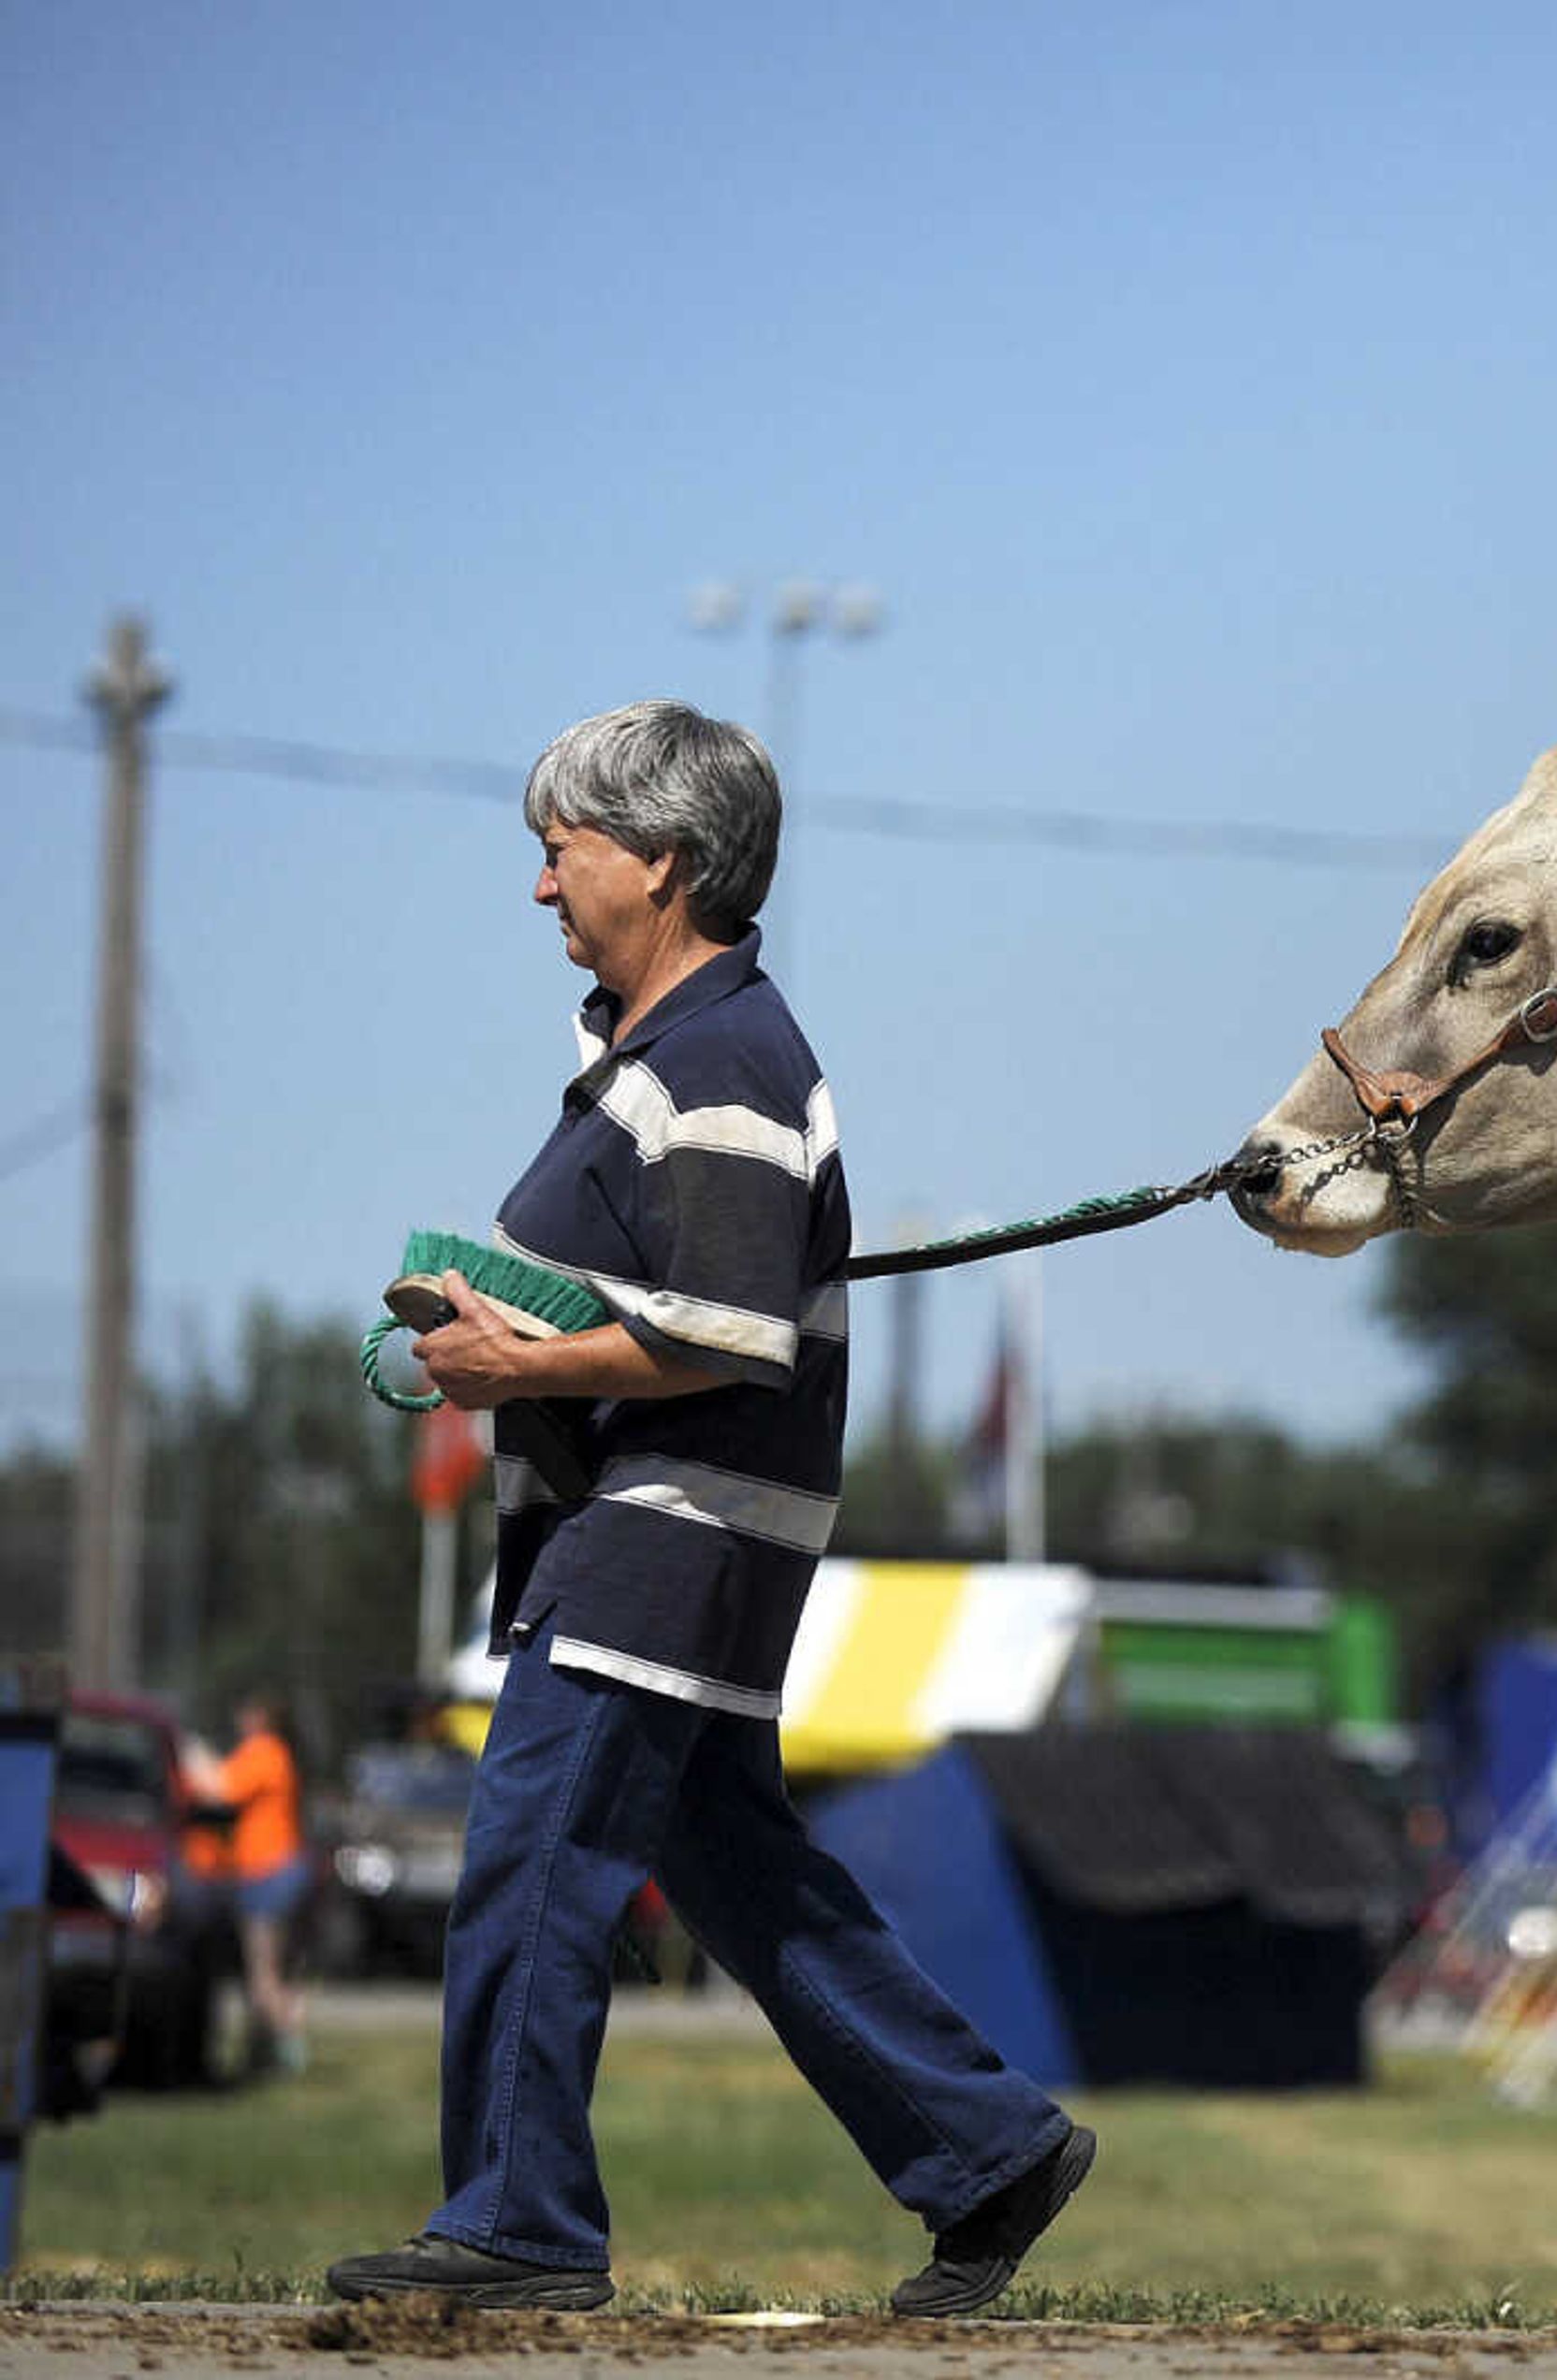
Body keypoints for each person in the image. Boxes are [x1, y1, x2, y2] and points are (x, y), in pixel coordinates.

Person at [327, 702, 1094, 2315]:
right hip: (671, 1531)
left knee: (534, 1860)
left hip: (657, 1542)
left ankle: (522, 2219)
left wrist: (500, 1361)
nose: (542, 889)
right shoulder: (672, 1051)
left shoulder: (724, 1053)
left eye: (562, 850)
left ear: (662, 861)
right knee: (741, 1874)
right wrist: (508, 1326)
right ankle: (986, 2150)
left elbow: (731, 1327)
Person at [187, 1691, 311, 2069]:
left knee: (262, 1975)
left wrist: (191, 1753)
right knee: (274, 1969)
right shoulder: (273, 1753)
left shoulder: (264, 1751)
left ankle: (290, 2045)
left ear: (261, 1718)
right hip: (280, 1871)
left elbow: (220, 1787)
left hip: (268, 1872)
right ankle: (263, 2053)